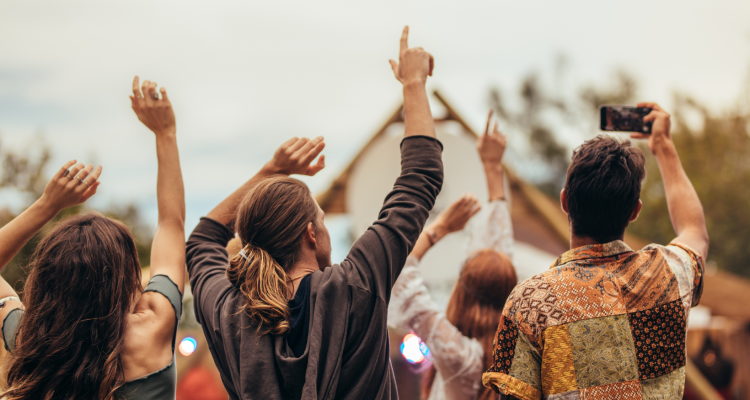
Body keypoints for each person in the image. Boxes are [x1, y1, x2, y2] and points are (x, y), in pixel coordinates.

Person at [185, 26, 442, 400]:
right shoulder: (355, 286)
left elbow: (203, 239)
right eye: (321, 220)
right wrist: (414, 83)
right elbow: (420, 177)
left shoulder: (231, 313)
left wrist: (270, 171)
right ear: (310, 232)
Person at [483, 103, 708, 399]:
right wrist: (663, 145)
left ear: (564, 202)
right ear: (634, 211)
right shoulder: (667, 275)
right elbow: (695, 230)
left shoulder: (530, 302)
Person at [0, 76, 186, 400]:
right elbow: (171, 224)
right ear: (126, 279)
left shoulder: (27, 339)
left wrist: (48, 205)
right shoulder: (152, 328)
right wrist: (165, 134)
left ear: (45, 279)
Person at [388, 110, 517, 400]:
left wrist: (440, 228)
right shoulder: (516, 353)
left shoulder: (461, 356)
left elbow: (399, 273)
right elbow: (501, 256)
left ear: (463, 290)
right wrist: (492, 168)